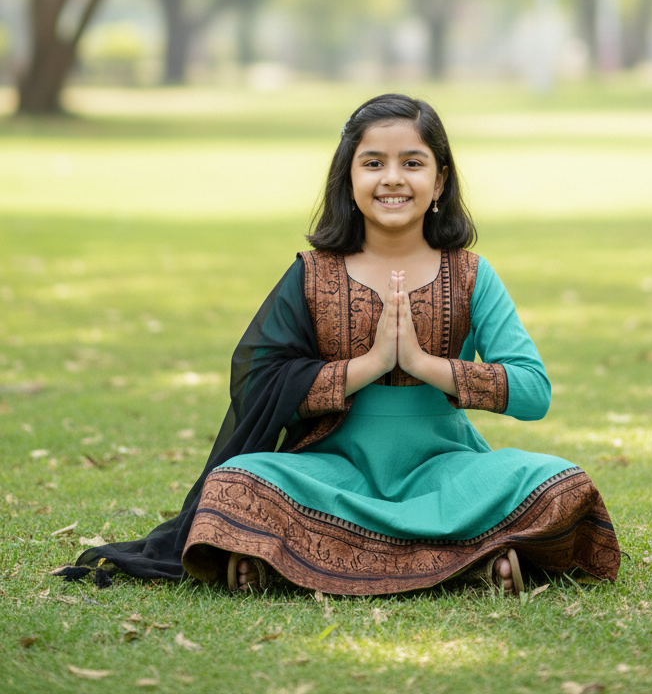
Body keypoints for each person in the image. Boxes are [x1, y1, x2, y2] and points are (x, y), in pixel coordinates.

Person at [58, 93, 620, 597]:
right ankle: (474, 561)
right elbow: (262, 383)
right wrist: (370, 365)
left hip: (446, 474)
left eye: (412, 163)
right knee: (234, 485)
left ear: (440, 181)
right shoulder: (312, 274)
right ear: (348, 178)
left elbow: (534, 392)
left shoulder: (472, 275)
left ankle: (285, 563)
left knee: (560, 483)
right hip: (334, 473)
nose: (392, 178)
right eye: (373, 163)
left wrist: (424, 365)